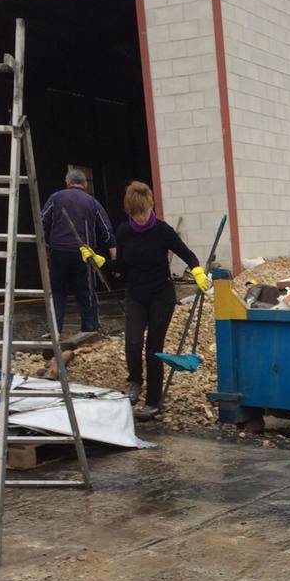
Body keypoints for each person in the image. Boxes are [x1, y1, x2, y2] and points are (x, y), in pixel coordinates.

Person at [115, 181, 209, 420]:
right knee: (133, 343)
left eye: (144, 211)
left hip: (161, 295)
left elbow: (188, 254)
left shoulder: (162, 230)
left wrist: (197, 271)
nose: (140, 217)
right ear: (129, 212)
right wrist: (100, 262)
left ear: (151, 206)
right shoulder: (124, 231)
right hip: (135, 294)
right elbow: (120, 267)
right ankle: (135, 381)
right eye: (135, 213)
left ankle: (153, 401)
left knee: (153, 349)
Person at [40, 169, 115, 334]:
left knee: (57, 291)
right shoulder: (92, 202)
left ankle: (54, 329)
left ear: (67, 182)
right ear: (85, 184)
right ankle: (90, 329)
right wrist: (114, 260)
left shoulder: (56, 198)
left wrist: (43, 247)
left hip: (59, 252)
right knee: (86, 292)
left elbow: (42, 221)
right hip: (84, 254)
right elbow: (106, 230)